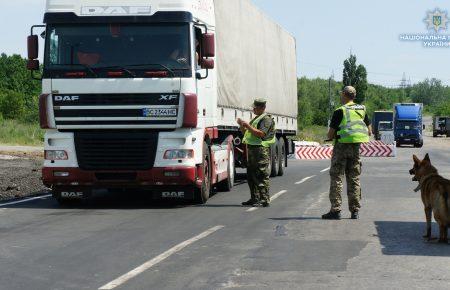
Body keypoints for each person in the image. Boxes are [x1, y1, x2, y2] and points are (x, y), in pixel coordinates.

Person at [322, 86, 372, 220]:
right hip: (356, 148)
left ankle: (336, 210)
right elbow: (369, 131)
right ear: (354, 96)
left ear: (344, 94)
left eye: (341, 94)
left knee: (337, 177)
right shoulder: (362, 109)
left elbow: (331, 133)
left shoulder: (340, 111)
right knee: (354, 178)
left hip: (341, 147)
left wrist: (329, 137)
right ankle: (355, 211)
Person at [237, 99, 276, 207]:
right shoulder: (256, 119)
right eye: (253, 107)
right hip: (252, 150)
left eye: (255, 107)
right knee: (251, 175)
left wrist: (248, 126)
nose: (253, 109)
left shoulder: (266, 119)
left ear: (262, 108)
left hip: (261, 150)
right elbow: (247, 133)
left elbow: (261, 134)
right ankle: (255, 198)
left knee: (261, 174)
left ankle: (265, 199)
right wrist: (242, 125)